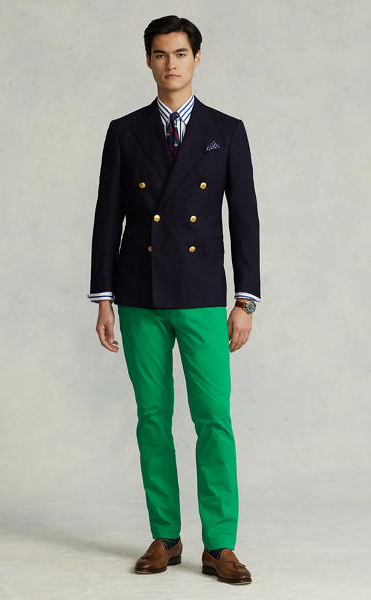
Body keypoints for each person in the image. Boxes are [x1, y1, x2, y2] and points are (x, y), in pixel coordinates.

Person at [88, 15, 260, 585]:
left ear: (197, 58)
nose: (171, 64)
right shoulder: (124, 131)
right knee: (153, 418)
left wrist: (245, 300)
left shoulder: (226, 130)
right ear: (148, 60)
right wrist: (104, 297)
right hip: (139, 292)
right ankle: (165, 535)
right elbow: (107, 217)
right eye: (160, 54)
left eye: (180, 53)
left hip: (203, 294)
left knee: (214, 418)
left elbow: (245, 219)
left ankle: (221, 544)